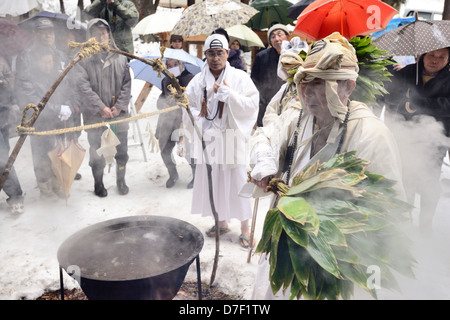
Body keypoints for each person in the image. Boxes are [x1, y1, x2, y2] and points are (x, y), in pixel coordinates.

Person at [249, 33, 405, 299]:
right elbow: (265, 135)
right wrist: (264, 163)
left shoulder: (370, 133)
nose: (309, 93)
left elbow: (389, 208)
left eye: (321, 84)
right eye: (306, 83)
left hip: (333, 260)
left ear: (347, 87)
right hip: (288, 249)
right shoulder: (298, 116)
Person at [182, 34, 259, 248]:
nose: (215, 58)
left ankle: (245, 229)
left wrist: (229, 95)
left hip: (232, 137)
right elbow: (189, 108)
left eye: (220, 53)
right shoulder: (198, 81)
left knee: (238, 181)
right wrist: (199, 118)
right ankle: (221, 221)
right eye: (211, 54)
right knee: (213, 181)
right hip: (210, 139)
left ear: (227, 53)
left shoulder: (240, 78)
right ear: (204, 55)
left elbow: (252, 104)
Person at [384, 47, 450, 230]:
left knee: (429, 181)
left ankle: (426, 224)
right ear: (423, 55)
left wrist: (421, 104)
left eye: (441, 57)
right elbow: (389, 90)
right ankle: (406, 220)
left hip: (435, 139)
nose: (434, 60)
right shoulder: (409, 72)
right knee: (406, 178)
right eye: (431, 55)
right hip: (405, 135)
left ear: (448, 60)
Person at [76, 19, 132, 197]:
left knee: (121, 151)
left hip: (119, 115)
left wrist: (119, 106)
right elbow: (83, 87)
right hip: (95, 116)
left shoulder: (121, 57)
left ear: (109, 35)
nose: (100, 37)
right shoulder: (82, 59)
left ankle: (121, 180)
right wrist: (100, 107)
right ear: (89, 37)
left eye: (103, 33)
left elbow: (127, 84)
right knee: (97, 153)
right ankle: (98, 183)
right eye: (95, 33)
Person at [15, 46, 77, 200]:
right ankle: (45, 189)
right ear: (37, 63)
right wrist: (57, 109)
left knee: (57, 154)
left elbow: (70, 93)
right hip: (39, 125)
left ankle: (58, 184)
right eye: (44, 62)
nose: (47, 65)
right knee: (41, 157)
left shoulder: (58, 75)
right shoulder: (31, 79)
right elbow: (33, 103)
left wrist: (68, 107)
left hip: (56, 123)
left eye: (50, 62)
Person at [156, 58, 195, 188]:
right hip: (167, 121)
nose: (171, 67)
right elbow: (162, 97)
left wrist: (183, 101)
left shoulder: (190, 79)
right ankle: (173, 174)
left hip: (183, 122)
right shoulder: (165, 80)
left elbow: (196, 100)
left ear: (181, 65)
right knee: (165, 150)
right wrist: (163, 103)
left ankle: (196, 175)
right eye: (168, 65)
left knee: (186, 150)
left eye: (175, 64)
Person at [262, 37, 308, 126]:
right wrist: (280, 121)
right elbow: (270, 113)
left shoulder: (312, 87)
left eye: (294, 66)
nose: (289, 70)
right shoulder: (286, 88)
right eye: (287, 66)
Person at [251, 24, 290, 127]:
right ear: (270, 42)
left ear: (287, 36)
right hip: (266, 105)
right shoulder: (261, 56)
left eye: (280, 35)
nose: (277, 39)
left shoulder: (296, 54)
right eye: (272, 37)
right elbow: (254, 81)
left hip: (289, 104)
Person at [0, 55, 24, 213]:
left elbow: (11, 82)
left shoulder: (1, 60)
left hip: (1, 115)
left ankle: (15, 196)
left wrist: (4, 82)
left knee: (2, 159)